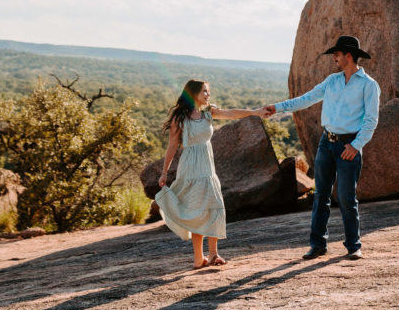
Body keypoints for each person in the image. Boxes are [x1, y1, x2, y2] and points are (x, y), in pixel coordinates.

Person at [263, 35, 379, 260]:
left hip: (349, 145)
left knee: (346, 198)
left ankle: (354, 246)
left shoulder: (369, 85)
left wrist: (355, 146)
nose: (333, 58)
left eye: (336, 54)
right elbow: (306, 99)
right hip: (327, 143)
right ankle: (317, 245)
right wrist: (277, 108)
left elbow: (371, 120)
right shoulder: (331, 81)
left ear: (348, 55)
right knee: (321, 196)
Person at [156, 79, 269, 269]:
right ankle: (199, 259)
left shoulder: (208, 112)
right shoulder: (180, 118)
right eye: (204, 92)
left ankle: (214, 254)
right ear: (193, 94)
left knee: (214, 205)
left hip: (208, 168)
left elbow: (232, 113)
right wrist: (164, 172)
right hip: (191, 168)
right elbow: (172, 146)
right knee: (197, 209)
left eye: (208, 92)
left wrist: (255, 112)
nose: (208, 95)